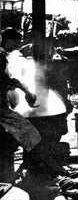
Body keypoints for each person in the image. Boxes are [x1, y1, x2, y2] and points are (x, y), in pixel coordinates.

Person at [0, 28, 41, 182]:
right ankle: (29, 173)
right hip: (1, 109)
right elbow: (5, 81)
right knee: (30, 134)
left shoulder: (2, 55)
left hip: (3, 105)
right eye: (16, 42)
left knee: (20, 135)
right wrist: (25, 90)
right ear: (9, 40)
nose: (18, 46)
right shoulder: (0, 56)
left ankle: (13, 169)